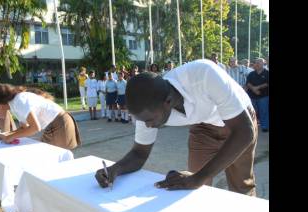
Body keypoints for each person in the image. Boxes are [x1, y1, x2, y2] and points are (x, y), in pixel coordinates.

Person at [95, 59, 258, 196]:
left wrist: (197, 178)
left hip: (239, 123)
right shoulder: (148, 108)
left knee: (241, 187)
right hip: (203, 127)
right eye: (142, 121)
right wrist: (115, 170)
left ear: (168, 102)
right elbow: (139, 153)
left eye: (149, 120)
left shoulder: (204, 74)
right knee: (196, 190)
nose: (148, 125)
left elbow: (244, 132)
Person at [0, 84, 81, 149]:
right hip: (55, 124)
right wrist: (6, 135)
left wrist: (10, 137)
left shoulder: (19, 101)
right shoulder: (13, 104)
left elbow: (35, 128)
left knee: (53, 164)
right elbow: (24, 128)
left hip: (60, 124)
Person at [246, 58, 269, 132]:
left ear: (263, 64)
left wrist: (257, 88)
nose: (258, 64)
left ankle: (264, 126)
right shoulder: (251, 73)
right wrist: (253, 89)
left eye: (260, 62)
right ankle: (253, 126)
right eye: (256, 63)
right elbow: (248, 83)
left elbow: (267, 83)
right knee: (252, 112)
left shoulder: (267, 73)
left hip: (264, 96)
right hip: (252, 96)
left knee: (264, 111)